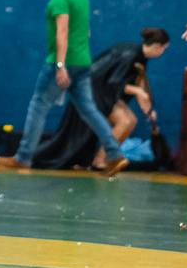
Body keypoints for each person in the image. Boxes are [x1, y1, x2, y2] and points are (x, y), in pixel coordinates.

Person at [0, 0, 127, 176]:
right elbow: (86, 32)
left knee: (38, 106)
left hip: (62, 62)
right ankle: (115, 155)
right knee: (89, 110)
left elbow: (62, 31)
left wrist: (60, 65)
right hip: (83, 62)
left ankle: (23, 157)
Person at [32, 27, 170, 170]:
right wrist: (138, 92)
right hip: (94, 94)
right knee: (126, 121)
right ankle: (100, 161)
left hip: (104, 95)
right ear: (156, 46)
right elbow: (112, 83)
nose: (162, 52)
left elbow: (138, 85)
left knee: (128, 120)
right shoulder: (129, 54)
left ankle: (100, 160)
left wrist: (148, 111)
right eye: (164, 48)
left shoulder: (141, 57)